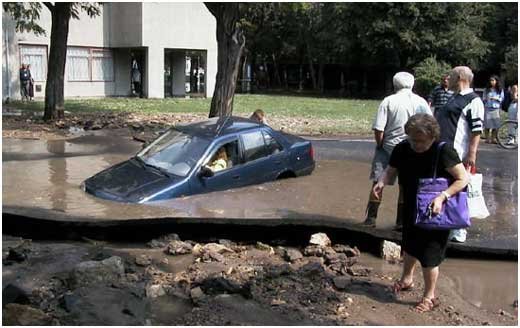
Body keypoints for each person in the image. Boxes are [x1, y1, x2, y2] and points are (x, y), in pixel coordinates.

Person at [373, 114, 469, 313]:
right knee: (409, 245)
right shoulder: (402, 148)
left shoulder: (444, 151)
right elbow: (391, 170)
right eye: (412, 139)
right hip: (411, 206)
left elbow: (463, 179)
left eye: (420, 141)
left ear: (432, 136)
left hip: (436, 212)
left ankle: (429, 296)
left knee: (429, 255)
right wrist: (382, 182)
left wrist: (443, 196)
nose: (416, 144)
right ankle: (406, 279)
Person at [363, 72, 432, 229]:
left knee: (378, 182)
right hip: (412, 148)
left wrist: (380, 144)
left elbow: (379, 128)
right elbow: (430, 126)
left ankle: (371, 219)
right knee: (405, 185)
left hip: (388, 147)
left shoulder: (388, 101)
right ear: (412, 84)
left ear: (395, 84)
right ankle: (401, 222)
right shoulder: (421, 102)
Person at [434, 66, 484, 243]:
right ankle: (447, 223)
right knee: (446, 185)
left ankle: (460, 229)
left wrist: (472, 154)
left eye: (452, 75)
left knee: (460, 187)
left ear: (461, 77)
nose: (449, 77)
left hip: (457, 152)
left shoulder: (473, 100)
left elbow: (476, 130)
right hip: (443, 149)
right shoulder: (454, 97)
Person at [482, 75, 504, 143]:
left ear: (496, 81)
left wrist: (496, 98)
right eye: (491, 80)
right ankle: (487, 138)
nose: (492, 82)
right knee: (487, 124)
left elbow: (502, 98)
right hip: (488, 108)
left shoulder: (500, 90)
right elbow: (484, 98)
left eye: (493, 80)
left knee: (495, 125)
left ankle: (493, 138)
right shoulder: (486, 89)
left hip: (495, 108)